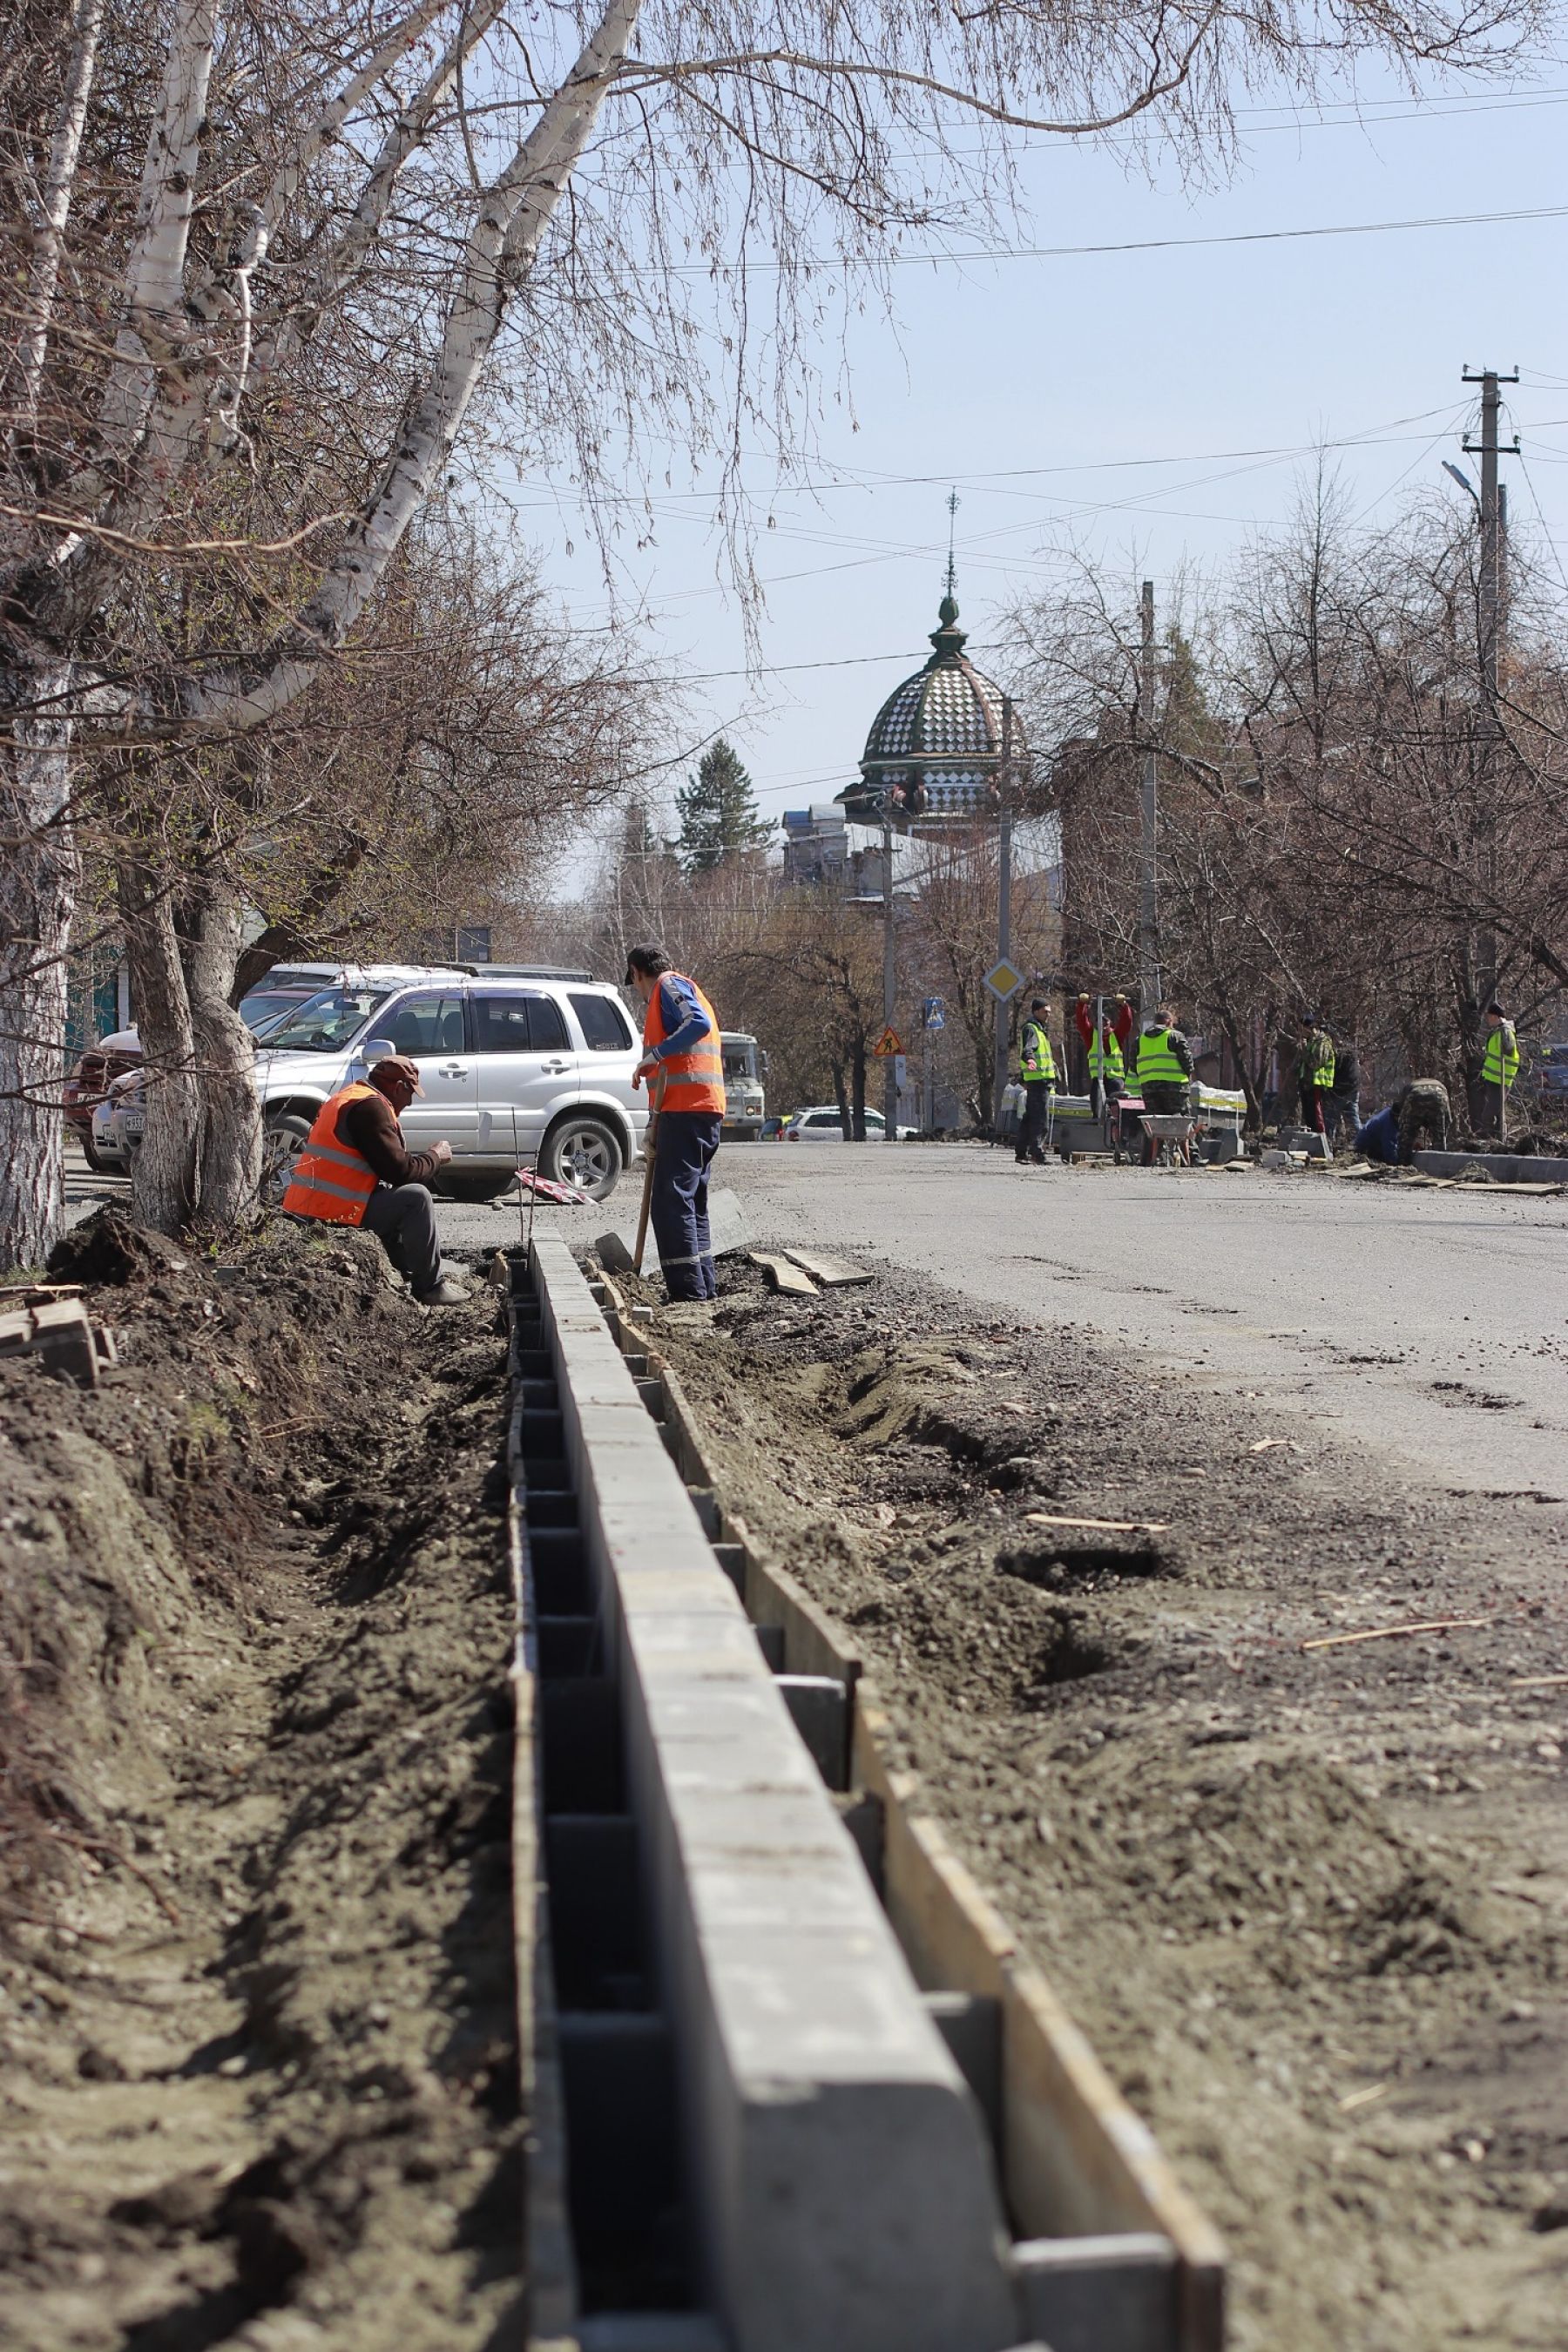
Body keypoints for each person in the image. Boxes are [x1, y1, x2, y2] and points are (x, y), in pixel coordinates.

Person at [280, 1056, 467, 1304]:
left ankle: (402, 1270)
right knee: (416, 1199)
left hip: (312, 1209)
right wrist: (435, 1156)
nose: (410, 1102)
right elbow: (400, 1172)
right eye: (410, 1093)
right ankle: (430, 1287)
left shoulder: (349, 1097)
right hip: (331, 1214)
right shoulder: (370, 1108)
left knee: (391, 1196)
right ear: (398, 1086)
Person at [625, 944, 726, 1302]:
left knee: (670, 1202)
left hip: (688, 1110)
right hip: (696, 1110)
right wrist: (655, 1123)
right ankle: (703, 1287)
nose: (638, 992)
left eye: (635, 983)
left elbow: (696, 1023)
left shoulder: (668, 986)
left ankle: (688, 1292)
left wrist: (653, 1054)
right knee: (691, 1200)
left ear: (638, 972)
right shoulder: (683, 987)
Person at [1135, 1006, 1194, 1164]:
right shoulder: (1175, 1036)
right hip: (1175, 1089)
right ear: (1168, 1022)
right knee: (1182, 1122)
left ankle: (1149, 1159)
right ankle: (1192, 1158)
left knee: (1152, 1127)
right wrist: (1187, 1077)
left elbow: (1133, 1065)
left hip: (1149, 1089)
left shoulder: (1140, 1040)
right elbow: (1187, 1062)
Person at [1074, 991, 1132, 1120]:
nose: (1103, 1026)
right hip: (1098, 1079)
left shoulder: (1116, 1035)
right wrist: (1082, 1005)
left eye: (1106, 1022)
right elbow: (1081, 1021)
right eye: (1100, 1022)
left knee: (1117, 1111)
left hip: (1115, 1079)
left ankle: (1117, 1132)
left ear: (1110, 1023)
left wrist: (1124, 1005)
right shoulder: (1091, 1036)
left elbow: (1126, 1022)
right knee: (1097, 1109)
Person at [1015, 998, 1058, 1165]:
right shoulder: (1032, 1029)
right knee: (1041, 1120)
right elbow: (1028, 1048)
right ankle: (1037, 1153)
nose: (1048, 1014)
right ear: (1036, 1011)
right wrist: (1029, 1059)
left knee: (1030, 1117)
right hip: (1038, 1081)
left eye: (1049, 1011)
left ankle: (1021, 1152)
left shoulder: (1039, 1029)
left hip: (1040, 1079)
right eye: (1045, 1011)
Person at [1481, 1002, 1519, 1139]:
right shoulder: (1498, 1031)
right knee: (1497, 1114)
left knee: (1489, 1114)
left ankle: (1493, 1141)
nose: (1487, 1019)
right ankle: (1497, 1143)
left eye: (1489, 1016)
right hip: (1493, 1079)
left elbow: (1508, 1050)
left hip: (1501, 1079)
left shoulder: (1505, 1031)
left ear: (1496, 1016)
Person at [1295, 1017, 1336, 1136]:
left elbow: (1315, 1063)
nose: (1301, 1032)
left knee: (1317, 1114)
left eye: (1302, 1029)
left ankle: (1320, 1137)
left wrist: (1303, 1050)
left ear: (1310, 1028)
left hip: (1317, 1084)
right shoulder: (1311, 1042)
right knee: (1309, 1115)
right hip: (1307, 1083)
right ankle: (1311, 1137)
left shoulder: (1323, 1042)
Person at [1396, 1078, 1451, 1164]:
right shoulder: (1441, 1086)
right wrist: (1443, 1130)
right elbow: (1448, 1118)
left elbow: (1402, 1117)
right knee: (1439, 1138)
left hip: (1415, 1094)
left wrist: (1406, 1129)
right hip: (1439, 1095)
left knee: (1406, 1136)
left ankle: (1403, 1164)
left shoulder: (1410, 1086)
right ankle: (1440, 1164)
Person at [1327, 1032, 1362, 1146]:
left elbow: (1333, 1072)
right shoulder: (1352, 1053)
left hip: (1339, 1091)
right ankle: (1359, 1143)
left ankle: (1328, 1143)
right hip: (1353, 1089)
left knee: (1330, 1119)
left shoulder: (1337, 1054)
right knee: (1353, 1117)